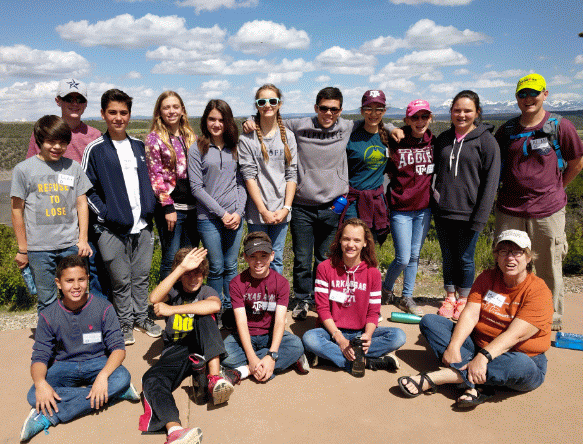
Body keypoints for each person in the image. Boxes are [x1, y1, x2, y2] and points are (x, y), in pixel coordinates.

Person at [245, 87, 404, 321]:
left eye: (334, 109)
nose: (328, 113)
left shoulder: (347, 126)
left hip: (334, 203)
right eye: (324, 108)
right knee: (301, 257)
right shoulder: (299, 125)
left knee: (325, 258)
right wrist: (251, 120)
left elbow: (375, 121)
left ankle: (323, 299)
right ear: (315, 108)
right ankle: (301, 298)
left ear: (340, 110)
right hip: (302, 204)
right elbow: (271, 118)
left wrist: (392, 127)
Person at [398, 230, 553, 408]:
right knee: (430, 322)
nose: (510, 258)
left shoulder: (539, 291)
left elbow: (514, 336)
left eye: (517, 252)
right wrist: (455, 346)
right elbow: (470, 314)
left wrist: (484, 357)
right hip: (478, 346)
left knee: (520, 364)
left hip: (518, 357)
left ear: (528, 257)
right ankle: (478, 382)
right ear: (496, 256)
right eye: (504, 251)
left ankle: (443, 377)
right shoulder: (487, 277)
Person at [494, 73, 583, 331]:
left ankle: (548, 320)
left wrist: (557, 187)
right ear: (516, 98)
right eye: (522, 94)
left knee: (548, 266)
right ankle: (504, 313)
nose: (528, 98)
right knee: (506, 264)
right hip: (510, 209)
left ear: (545, 94)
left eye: (533, 93)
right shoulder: (508, 130)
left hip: (548, 211)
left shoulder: (560, 126)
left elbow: (576, 163)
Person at [20, 255, 139, 442]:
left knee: (122, 377)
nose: (76, 286)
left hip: (98, 363)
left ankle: (51, 415)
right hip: (63, 366)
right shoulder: (48, 315)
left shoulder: (104, 307)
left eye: (81, 279)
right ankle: (115, 394)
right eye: (69, 280)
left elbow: (118, 349)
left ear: (88, 280)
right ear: (58, 283)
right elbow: (40, 357)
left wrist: (102, 376)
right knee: (34, 393)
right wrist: (41, 383)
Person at [82, 89, 161, 345]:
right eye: (112, 112)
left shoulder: (139, 147)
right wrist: (105, 215)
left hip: (143, 226)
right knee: (119, 280)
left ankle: (141, 317)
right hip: (111, 229)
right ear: (103, 114)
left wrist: (150, 210)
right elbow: (86, 189)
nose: (118, 118)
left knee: (140, 277)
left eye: (123, 113)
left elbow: (152, 181)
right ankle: (124, 322)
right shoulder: (96, 150)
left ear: (129, 115)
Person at [139, 247, 237, 444]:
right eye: (187, 274)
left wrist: (172, 310)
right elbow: (154, 298)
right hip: (177, 350)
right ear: (180, 274)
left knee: (204, 316)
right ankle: (175, 430)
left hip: (202, 347)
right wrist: (181, 267)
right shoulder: (173, 291)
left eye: (198, 273)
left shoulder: (206, 291)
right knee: (151, 378)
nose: (193, 279)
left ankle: (214, 378)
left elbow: (215, 306)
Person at [302, 218, 406, 375]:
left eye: (357, 240)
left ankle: (331, 358)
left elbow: (373, 312)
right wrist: (340, 339)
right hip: (332, 332)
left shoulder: (373, 273)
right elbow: (322, 309)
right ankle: (368, 361)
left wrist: (368, 336)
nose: (351, 245)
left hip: (360, 332)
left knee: (398, 336)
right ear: (340, 240)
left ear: (365, 243)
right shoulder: (325, 268)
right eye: (346, 239)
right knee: (310, 338)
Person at [11, 115, 92, 312]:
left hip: (70, 245)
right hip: (39, 249)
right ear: (39, 141)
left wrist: (83, 239)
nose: (57, 147)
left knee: (76, 295)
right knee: (46, 299)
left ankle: (75, 335)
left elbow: (82, 203)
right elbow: (16, 210)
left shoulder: (73, 167)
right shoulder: (23, 170)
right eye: (51, 142)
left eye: (62, 143)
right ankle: (50, 340)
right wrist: (23, 249)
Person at [433, 90, 500, 321]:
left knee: (465, 258)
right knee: (448, 256)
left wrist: (481, 216)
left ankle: (464, 299)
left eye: (467, 110)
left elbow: (491, 183)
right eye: (457, 110)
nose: (462, 115)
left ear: (477, 113)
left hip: (470, 214)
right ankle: (450, 296)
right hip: (443, 211)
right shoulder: (443, 139)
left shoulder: (486, 142)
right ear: (451, 112)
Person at [188, 99, 247, 328]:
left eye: (221, 119)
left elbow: (241, 182)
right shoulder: (198, 148)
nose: (216, 124)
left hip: (235, 218)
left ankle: (232, 310)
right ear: (205, 121)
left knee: (232, 266)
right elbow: (196, 187)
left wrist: (239, 213)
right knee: (216, 266)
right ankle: (216, 308)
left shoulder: (235, 147)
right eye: (212, 119)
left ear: (228, 121)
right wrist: (222, 213)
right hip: (209, 219)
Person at [221, 232, 308, 382]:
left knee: (296, 345)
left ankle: (246, 370)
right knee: (224, 354)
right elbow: (241, 322)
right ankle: (273, 364)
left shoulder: (281, 283)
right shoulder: (237, 283)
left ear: (272, 255)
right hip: (245, 335)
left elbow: (280, 321)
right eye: (253, 256)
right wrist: (251, 356)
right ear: (245, 257)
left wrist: (272, 354)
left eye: (263, 256)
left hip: (269, 333)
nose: (258, 261)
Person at [382, 99, 435, 316]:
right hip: (400, 208)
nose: (420, 121)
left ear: (430, 118)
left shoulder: (434, 142)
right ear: (407, 120)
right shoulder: (396, 140)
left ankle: (407, 296)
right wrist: (389, 126)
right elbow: (375, 124)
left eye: (424, 116)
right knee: (403, 257)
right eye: (415, 117)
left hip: (423, 208)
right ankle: (385, 289)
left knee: (414, 256)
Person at [238, 84, 297, 274]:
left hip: (281, 209)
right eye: (262, 102)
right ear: (256, 105)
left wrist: (286, 208)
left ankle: (276, 300)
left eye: (272, 101)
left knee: (276, 257)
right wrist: (263, 210)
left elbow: (291, 174)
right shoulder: (247, 138)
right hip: (257, 212)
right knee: (258, 258)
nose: (267, 105)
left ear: (279, 104)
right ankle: (259, 299)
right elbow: (249, 177)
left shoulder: (288, 136)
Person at [145, 91, 200, 281]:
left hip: (193, 206)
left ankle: (185, 301)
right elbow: (156, 175)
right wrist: (168, 206)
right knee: (170, 259)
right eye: (166, 107)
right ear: (159, 112)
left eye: (175, 107)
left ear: (182, 110)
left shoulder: (190, 136)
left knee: (189, 257)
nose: (171, 111)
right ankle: (165, 303)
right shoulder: (155, 138)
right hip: (170, 207)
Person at [342, 90, 391, 245]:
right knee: (352, 244)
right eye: (369, 109)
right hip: (353, 200)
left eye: (379, 109)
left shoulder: (389, 137)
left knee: (370, 245)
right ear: (362, 111)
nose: (373, 113)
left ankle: (368, 270)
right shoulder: (351, 137)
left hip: (376, 200)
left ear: (384, 111)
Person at [26, 79, 101, 165]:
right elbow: (30, 167)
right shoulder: (44, 131)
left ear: (86, 103)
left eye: (80, 99)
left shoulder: (96, 136)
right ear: (58, 101)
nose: (75, 104)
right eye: (69, 99)